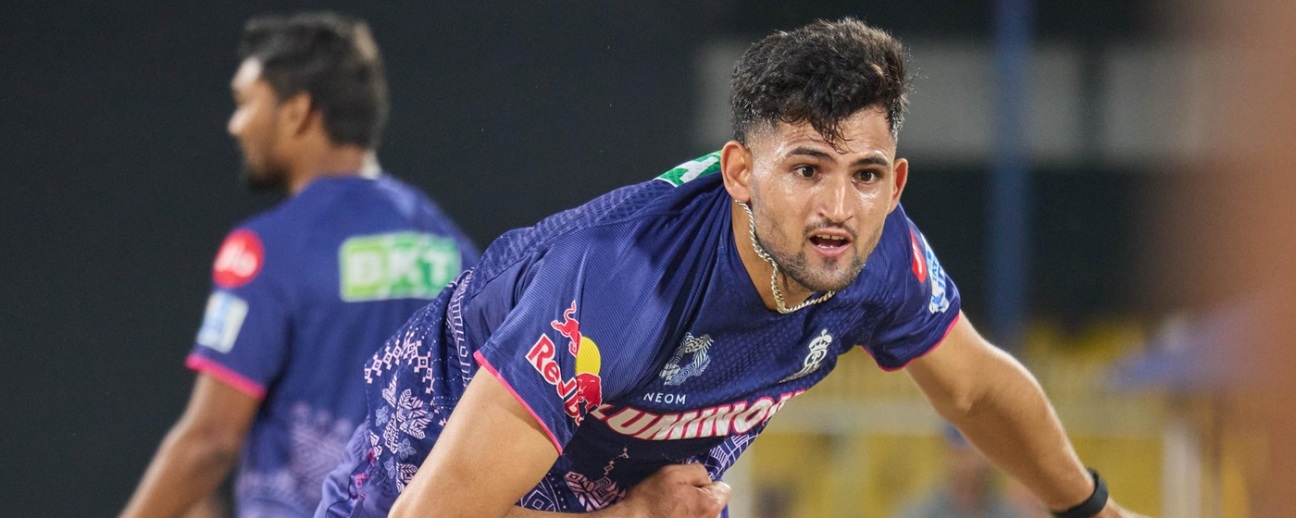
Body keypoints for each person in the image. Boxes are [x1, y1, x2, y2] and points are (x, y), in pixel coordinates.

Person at [317, 18, 1144, 518]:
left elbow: (977, 391)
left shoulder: (879, 252)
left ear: (895, 185)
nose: (838, 209)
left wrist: (1092, 508)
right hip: (416, 485)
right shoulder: (617, 287)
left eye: (864, 176)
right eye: (807, 169)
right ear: (740, 173)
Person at [122, 12, 478, 518]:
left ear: (297, 112)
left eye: (245, 103)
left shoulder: (268, 247)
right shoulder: (448, 244)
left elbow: (211, 443)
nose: (235, 125)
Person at [897, 427, 1039, 518]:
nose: (968, 463)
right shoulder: (920, 512)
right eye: (961, 453)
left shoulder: (1009, 513)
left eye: (977, 452)